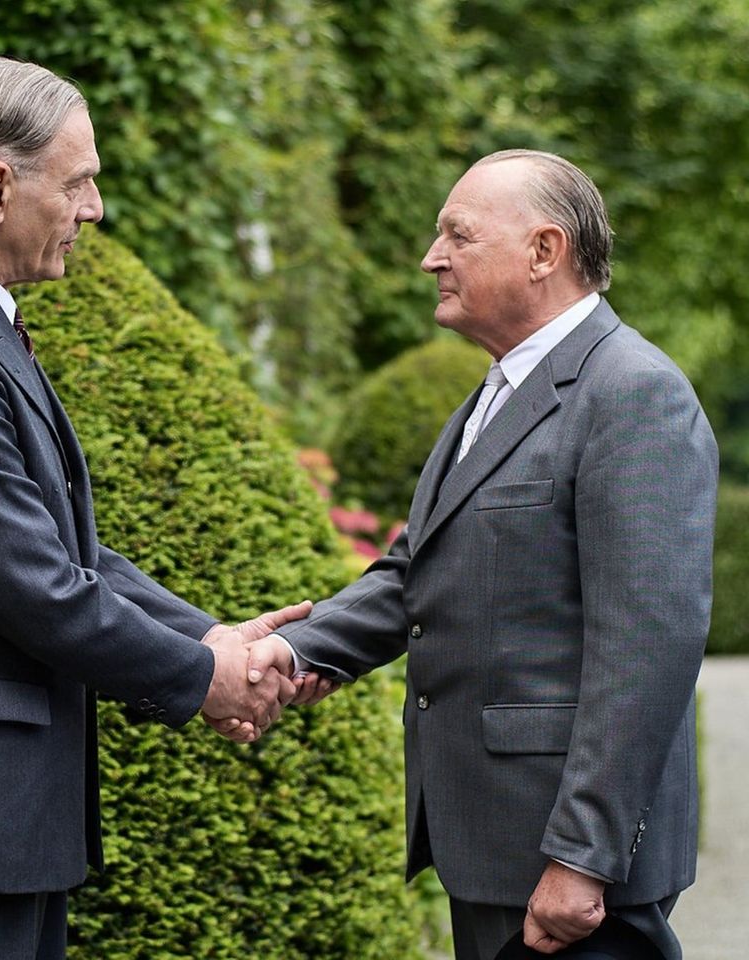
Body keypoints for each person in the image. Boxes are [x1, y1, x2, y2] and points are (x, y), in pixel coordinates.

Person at [0, 55, 317, 960]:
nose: (95, 209)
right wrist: (206, 677)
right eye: (78, 182)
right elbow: (32, 584)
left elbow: (58, 547)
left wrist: (206, 638)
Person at [240, 150, 718, 960]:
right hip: (493, 850)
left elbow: (648, 648)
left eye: (458, 235)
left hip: (564, 869)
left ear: (544, 251)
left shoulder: (633, 393)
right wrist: (290, 650)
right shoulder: (498, 393)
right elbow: (417, 571)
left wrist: (583, 856)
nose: (432, 258)